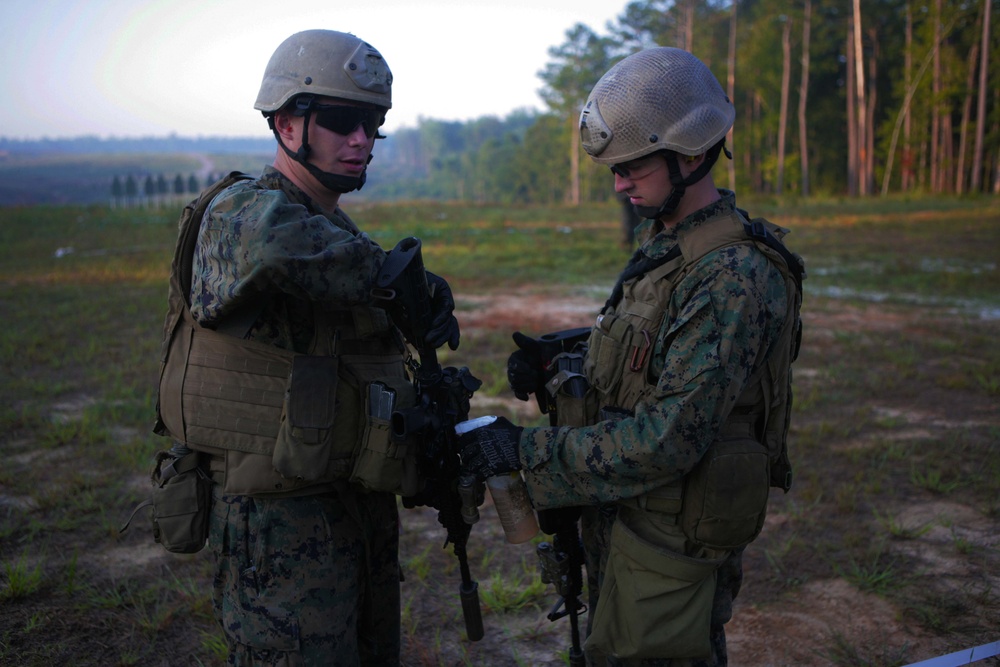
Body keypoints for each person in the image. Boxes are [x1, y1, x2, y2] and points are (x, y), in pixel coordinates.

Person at [458, 47, 803, 667]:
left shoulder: (732, 275)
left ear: (692, 153)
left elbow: (669, 436)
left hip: (670, 540)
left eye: (632, 169)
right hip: (632, 522)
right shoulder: (675, 246)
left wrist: (525, 450)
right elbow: (655, 356)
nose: (618, 185)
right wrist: (567, 359)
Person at [154, 29, 459, 665]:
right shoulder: (240, 210)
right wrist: (396, 282)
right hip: (279, 525)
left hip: (355, 506)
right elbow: (275, 247)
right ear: (287, 123)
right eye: (344, 120)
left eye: (373, 125)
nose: (361, 140)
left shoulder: (336, 229)